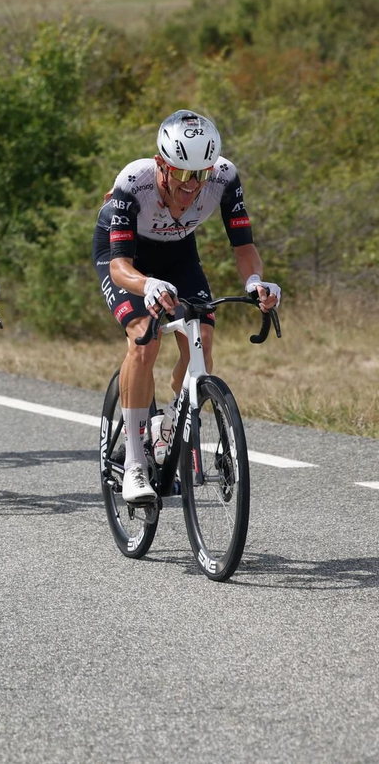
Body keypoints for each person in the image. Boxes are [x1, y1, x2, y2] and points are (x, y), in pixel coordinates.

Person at [94, 110, 278, 504]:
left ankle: (171, 427)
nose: (192, 186)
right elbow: (119, 266)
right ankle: (134, 463)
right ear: (161, 164)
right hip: (127, 258)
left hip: (178, 255)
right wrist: (145, 284)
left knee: (203, 338)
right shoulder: (134, 181)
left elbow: (244, 247)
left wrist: (255, 282)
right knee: (145, 342)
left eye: (201, 174)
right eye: (182, 174)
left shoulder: (225, 177)